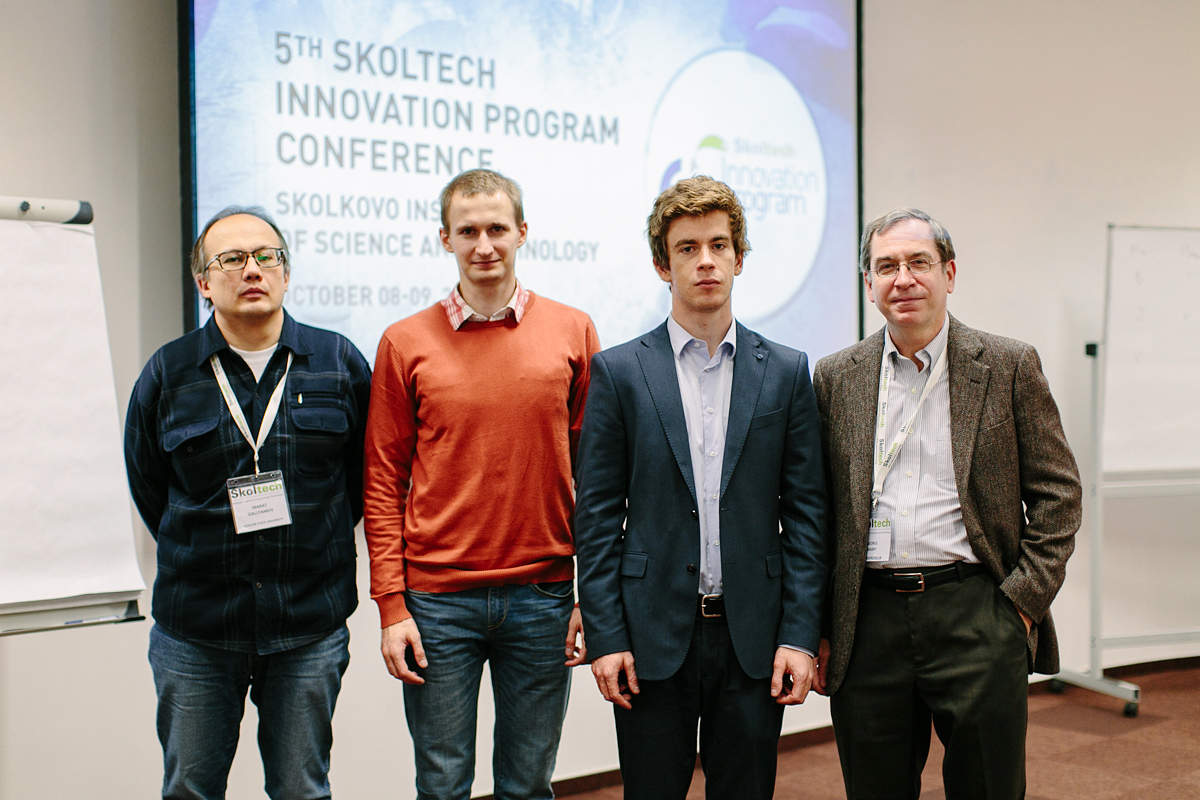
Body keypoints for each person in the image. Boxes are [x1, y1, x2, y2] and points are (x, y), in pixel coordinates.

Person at [811, 208, 1082, 800]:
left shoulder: (1008, 364)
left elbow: (1059, 493)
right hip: (869, 620)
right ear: (869, 284)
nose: (902, 278)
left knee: (988, 786)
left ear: (949, 274)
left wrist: (1020, 607)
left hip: (977, 610)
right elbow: (820, 510)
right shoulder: (836, 377)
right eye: (886, 266)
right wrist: (822, 623)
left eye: (918, 263)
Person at [573, 176, 829, 800]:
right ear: (664, 264)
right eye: (688, 248)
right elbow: (599, 517)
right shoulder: (620, 372)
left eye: (719, 244)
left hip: (754, 638)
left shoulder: (788, 372)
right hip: (651, 635)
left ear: (741, 257)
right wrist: (606, 639)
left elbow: (806, 515)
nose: (706, 260)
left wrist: (799, 634)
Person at [363, 168, 600, 800]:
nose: (484, 244)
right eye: (468, 231)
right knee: (442, 786)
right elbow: (383, 482)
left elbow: (598, 480)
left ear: (523, 232)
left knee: (527, 785)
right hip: (438, 603)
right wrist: (392, 606)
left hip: (544, 597)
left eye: (498, 228)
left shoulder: (574, 332)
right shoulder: (403, 342)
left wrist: (590, 595)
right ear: (446, 239)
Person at [125, 206, 371, 800]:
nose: (252, 269)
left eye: (266, 257)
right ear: (204, 284)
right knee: (190, 789)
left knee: (302, 790)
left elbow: (363, 482)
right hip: (198, 628)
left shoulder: (338, 363)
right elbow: (149, 485)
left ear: (286, 274)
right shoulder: (168, 372)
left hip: (307, 624)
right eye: (231, 259)